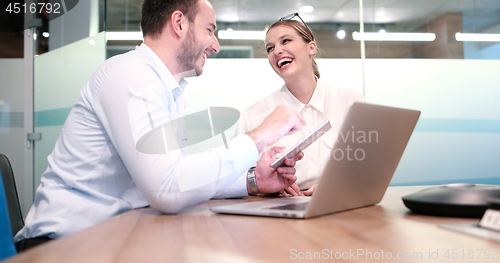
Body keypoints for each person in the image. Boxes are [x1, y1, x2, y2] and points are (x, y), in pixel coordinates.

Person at [14, 0, 307, 251]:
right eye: (209, 30)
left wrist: (254, 180)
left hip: (108, 235)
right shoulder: (132, 76)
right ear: (179, 23)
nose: (215, 45)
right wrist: (259, 136)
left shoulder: (165, 88)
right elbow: (167, 190)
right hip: (61, 246)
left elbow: (179, 177)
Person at [234, 14, 364, 195]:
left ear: (311, 47)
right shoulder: (253, 116)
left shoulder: (351, 102)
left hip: (339, 206)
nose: (277, 51)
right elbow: (234, 178)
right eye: (270, 48)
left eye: (285, 41)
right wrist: (265, 184)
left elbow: (368, 166)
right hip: (277, 212)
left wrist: (337, 185)